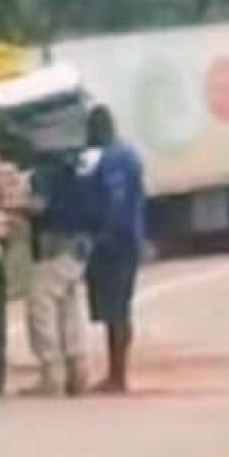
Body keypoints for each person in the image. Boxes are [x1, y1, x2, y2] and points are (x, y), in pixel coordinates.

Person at [21, 146, 101, 397]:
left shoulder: (43, 174)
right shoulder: (76, 170)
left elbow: (39, 206)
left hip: (53, 250)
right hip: (78, 249)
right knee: (69, 309)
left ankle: (52, 373)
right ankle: (78, 371)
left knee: (41, 308)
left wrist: (16, 205)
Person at [84, 105, 146, 394]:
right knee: (120, 309)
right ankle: (117, 372)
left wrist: (102, 236)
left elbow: (116, 202)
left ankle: (117, 375)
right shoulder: (128, 153)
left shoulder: (112, 160)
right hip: (130, 239)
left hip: (116, 243)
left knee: (116, 310)